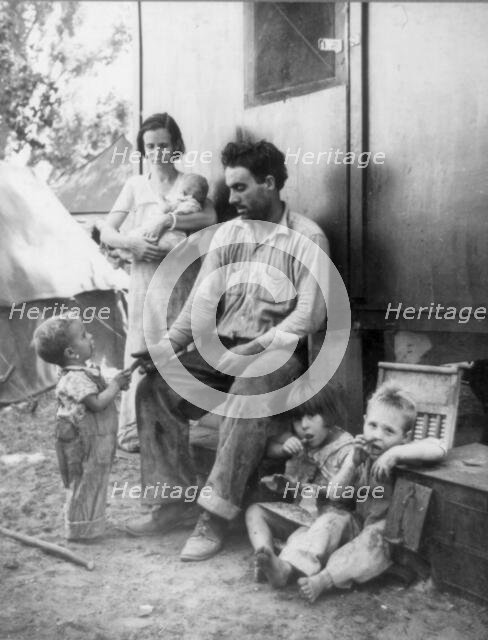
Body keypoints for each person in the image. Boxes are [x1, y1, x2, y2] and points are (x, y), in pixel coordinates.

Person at [125, 139, 330, 562]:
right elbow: (200, 307)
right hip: (223, 350)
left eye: (240, 187)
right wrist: (165, 349)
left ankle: (214, 517)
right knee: (155, 387)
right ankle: (173, 501)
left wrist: (255, 346)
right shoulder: (229, 234)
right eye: (230, 188)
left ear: (269, 184)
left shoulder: (307, 236)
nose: (230, 198)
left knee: (250, 385)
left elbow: (310, 316)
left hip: (277, 357)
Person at [101, 113, 216, 452]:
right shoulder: (135, 186)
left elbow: (209, 217)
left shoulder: (190, 183)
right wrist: (131, 244)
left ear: (176, 146)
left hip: (180, 276)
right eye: (150, 146)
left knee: (179, 342)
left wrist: (170, 218)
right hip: (145, 276)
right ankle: (137, 428)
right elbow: (107, 230)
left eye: (163, 145)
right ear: (143, 149)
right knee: (143, 340)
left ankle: (180, 424)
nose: (157, 152)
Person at [291, 383, 447, 603]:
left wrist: (395, 454)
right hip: (359, 520)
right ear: (364, 421)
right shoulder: (359, 451)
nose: (377, 435)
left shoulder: (406, 454)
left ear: (405, 436)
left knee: (371, 541)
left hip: (388, 533)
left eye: (389, 431)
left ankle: (324, 580)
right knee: (331, 520)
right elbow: (334, 494)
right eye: (372, 425)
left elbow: (439, 446)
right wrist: (352, 464)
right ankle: (294, 564)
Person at [33, 316, 132, 540]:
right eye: (84, 336)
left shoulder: (82, 372)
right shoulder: (75, 378)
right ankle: (81, 528)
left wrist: (115, 383)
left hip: (91, 440)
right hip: (82, 442)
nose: (91, 337)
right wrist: (116, 386)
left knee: (91, 480)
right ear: (70, 352)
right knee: (84, 481)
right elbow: (96, 404)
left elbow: (100, 391)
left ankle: (90, 524)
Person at [245, 381, 354, 586]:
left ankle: (284, 570)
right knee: (255, 512)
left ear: (329, 415)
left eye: (311, 416)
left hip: (328, 518)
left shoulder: (346, 447)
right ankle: (265, 554)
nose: (303, 426)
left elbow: (344, 493)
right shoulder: (302, 442)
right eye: (297, 420)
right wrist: (284, 449)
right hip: (301, 514)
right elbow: (268, 448)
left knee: (319, 529)